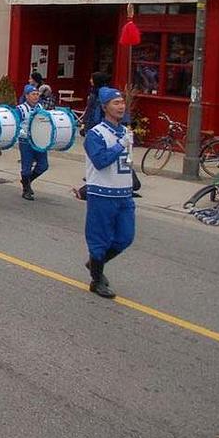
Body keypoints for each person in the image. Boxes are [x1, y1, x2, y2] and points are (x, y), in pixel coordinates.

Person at [83, 87, 136, 299]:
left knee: (125, 237)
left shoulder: (125, 132)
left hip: (124, 193)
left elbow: (127, 163)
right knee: (99, 239)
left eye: (122, 102)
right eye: (116, 103)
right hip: (102, 194)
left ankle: (95, 263)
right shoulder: (95, 134)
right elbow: (100, 161)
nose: (121, 106)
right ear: (105, 107)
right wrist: (120, 146)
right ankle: (97, 280)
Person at [15, 84, 49, 201]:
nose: (36, 96)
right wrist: (23, 133)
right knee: (26, 166)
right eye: (33, 94)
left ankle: (27, 181)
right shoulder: (20, 109)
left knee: (43, 165)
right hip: (26, 141)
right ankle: (26, 189)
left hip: (39, 140)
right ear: (27, 96)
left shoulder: (40, 107)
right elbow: (16, 124)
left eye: (37, 94)